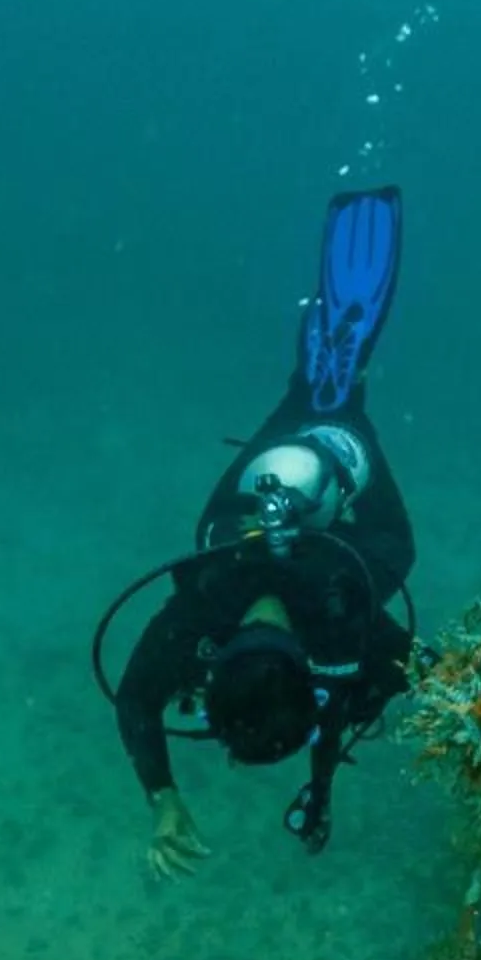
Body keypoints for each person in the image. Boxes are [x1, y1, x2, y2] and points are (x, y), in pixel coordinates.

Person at [98, 187, 417, 877]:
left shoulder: (335, 613)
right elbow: (136, 701)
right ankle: (320, 397)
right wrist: (318, 791)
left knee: (381, 519)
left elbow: (137, 701)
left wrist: (165, 800)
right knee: (273, 462)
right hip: (243, 519)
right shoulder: (205, 615)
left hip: (316, 518)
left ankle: (336, 404)